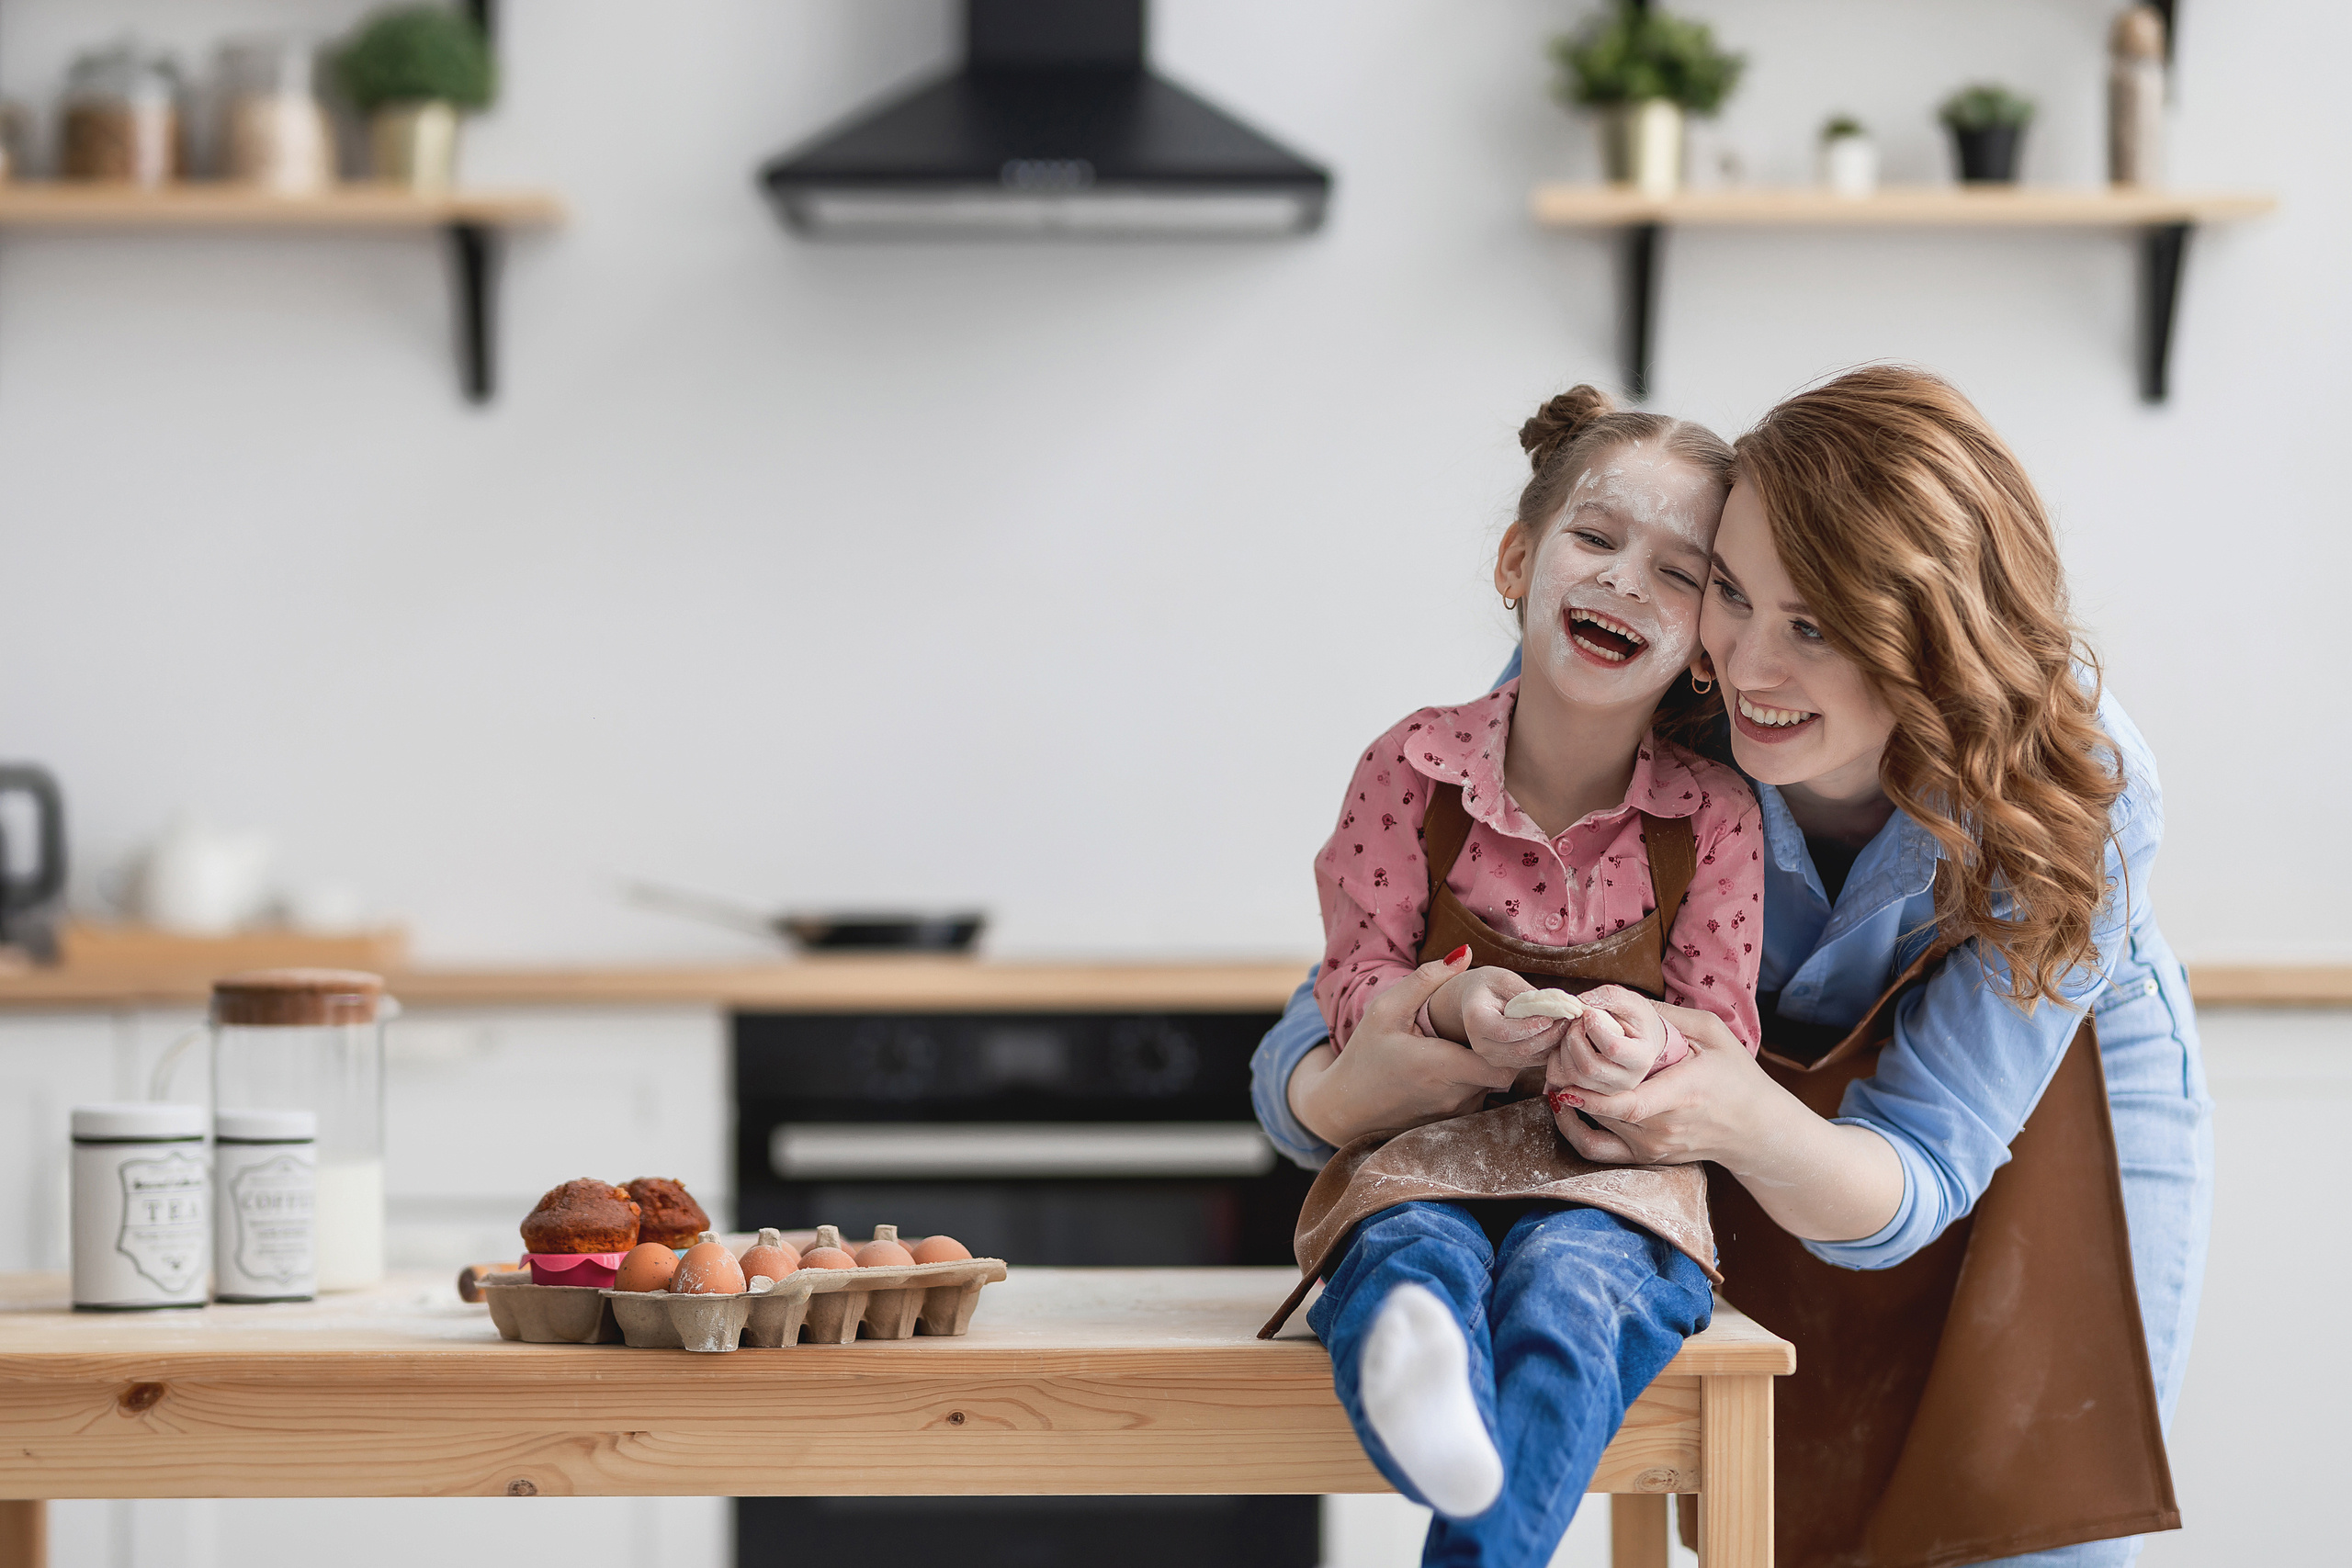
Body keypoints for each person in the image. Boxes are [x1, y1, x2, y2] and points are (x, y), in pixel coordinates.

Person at [1255, 366, 2209, 1568]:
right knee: (1772, 1505)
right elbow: (1342, 1000)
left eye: (1812, 627)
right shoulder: (1641, 670)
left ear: (1930, 638)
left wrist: (1733, 1115)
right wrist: (1344, 1094)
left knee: (2028, 1513)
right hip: (1723, 1109)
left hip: (2049, 1100)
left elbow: (1918, 1166)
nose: (1746, 664)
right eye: (1732, 593)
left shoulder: (2072, 788)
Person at [1275, 383, 1763, 1566]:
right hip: (1423, 1158)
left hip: (1615, 1180)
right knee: (1412, 1251)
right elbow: (1353, 977)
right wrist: (1441, 1003)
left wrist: (1636, 1044)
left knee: (1571, 1288)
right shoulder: (1412, 766)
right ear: (1518, 561)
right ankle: (1418, 1361)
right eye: (1595, 539)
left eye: (1678, 571)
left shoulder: (1714, 817)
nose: (1624, 583)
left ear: (1710, 639)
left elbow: (1723, 1034)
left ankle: (1465, 1473)